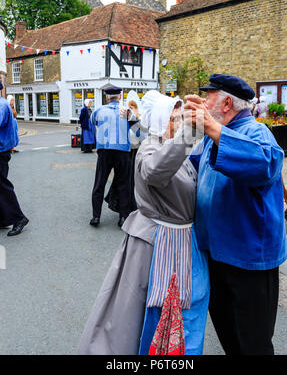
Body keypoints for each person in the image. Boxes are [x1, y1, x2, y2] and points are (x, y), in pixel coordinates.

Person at [77, 90, 209, 355]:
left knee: (184, 313)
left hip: (181, 243)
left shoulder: (174, 145)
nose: (179, 123)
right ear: (160, 120)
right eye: (174, 118)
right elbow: (154, 172)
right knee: (140, 315)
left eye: (181, 118)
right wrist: (189, 132)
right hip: (156, 246)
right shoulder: (151, 146)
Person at [185, 73, 287, 355]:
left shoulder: (256, 131)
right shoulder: (212, 135)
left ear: (227, 102)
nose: (205, 103)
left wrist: (211, 128)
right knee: (229, 335)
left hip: (248, 261)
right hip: (217, 255)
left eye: (209, 97)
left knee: (253, 342)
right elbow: (186, 171)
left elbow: (267, 163)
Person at [89, 86, 133, 228]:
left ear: (107, 97)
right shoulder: (127, 112)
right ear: (120, 97)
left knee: (99, 183)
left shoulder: (98, 111)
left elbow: (93, 123)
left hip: (105, 151)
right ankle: (122, 218)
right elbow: (136, 127)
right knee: (123, 184)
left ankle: (96, 216)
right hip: (122, 151)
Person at [0, 83, 29, 236]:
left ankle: (19, 218)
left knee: (3, 186)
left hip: (0, 151)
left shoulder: (1, 105)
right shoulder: (3, 104)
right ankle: (4, 219)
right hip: (3, 149)